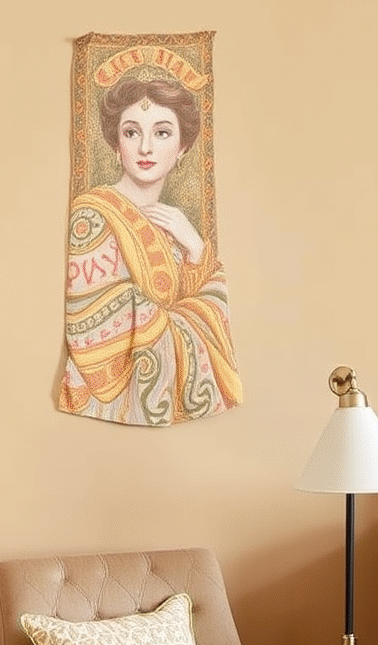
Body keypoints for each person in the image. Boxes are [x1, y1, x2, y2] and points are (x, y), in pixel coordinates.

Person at [58, 71, 242, 426]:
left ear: (182, 148)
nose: (145, 147)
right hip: (109, 402)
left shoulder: (178, 229)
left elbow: (183, 300)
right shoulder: (93, 214)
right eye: (131, 132)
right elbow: (103, 325)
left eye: (161, 133)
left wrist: (195, 245)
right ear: (116, 144)